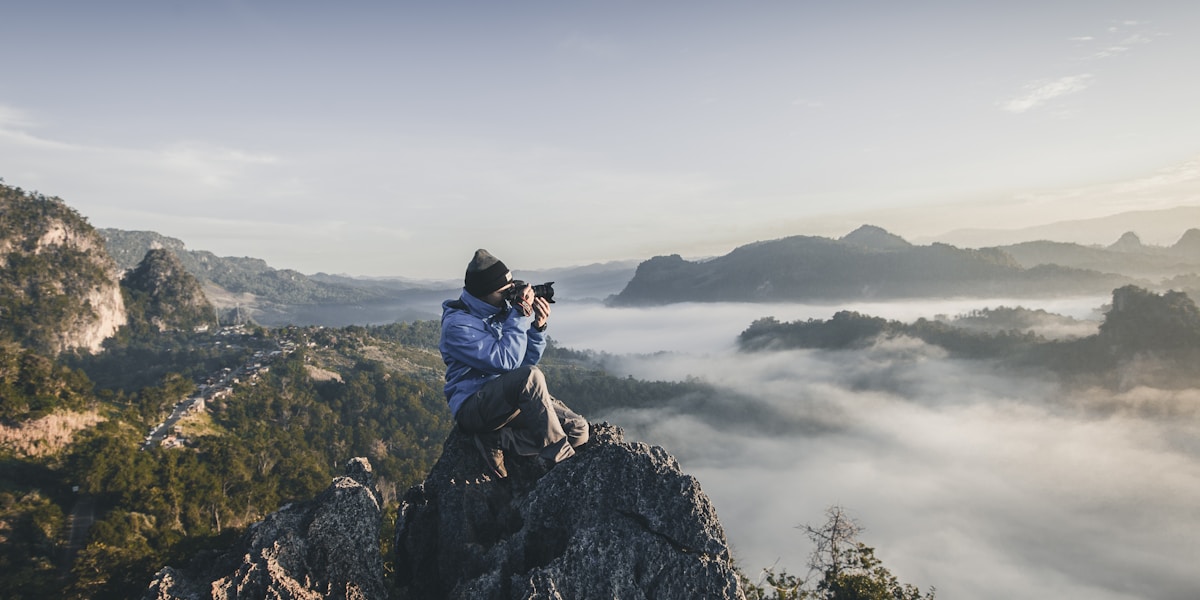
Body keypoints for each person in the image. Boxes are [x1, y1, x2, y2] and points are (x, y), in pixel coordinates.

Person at [439, 249, 589, 479]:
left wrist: (537, 329)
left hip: (506, 402)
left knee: (578, 430)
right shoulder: (458, 326)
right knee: (531, 376)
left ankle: (498, 440)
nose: (509, 296)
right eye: (504, 292)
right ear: (484, 293)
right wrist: (518, 314)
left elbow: (522, 365)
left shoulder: (499, 312)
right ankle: (560, 462)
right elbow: (507, 363)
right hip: (474, 407)